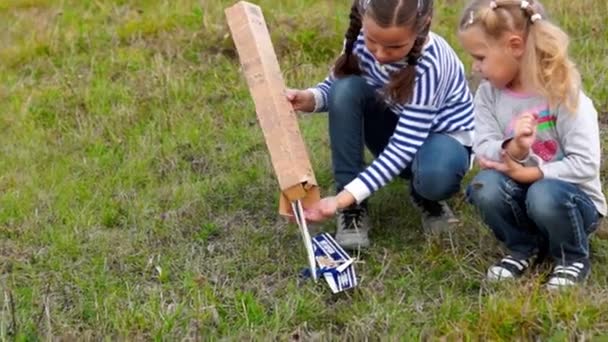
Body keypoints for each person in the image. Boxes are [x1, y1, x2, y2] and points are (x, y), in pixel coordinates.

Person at [286, 0, 475, 249]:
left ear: (422, 28)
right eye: (373, 41)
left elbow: (403, 146)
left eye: (395, 46)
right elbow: (336, 85)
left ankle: (425, 195)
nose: (381, 54)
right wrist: (309, 98)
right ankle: (353, 207)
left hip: (440, 141)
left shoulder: (432, 65)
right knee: (346, 89)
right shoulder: (363, 39)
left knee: (434, 178)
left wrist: (338, 200)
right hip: (396, 125)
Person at [459, 0, 606, 289]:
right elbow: (483, 146)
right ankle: (523, 247)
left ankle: (571, 256)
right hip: (520, 196)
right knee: (483, 186)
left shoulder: (564, 94)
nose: (474, 67)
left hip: (572, 203)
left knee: (543, 193)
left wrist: (532, 173)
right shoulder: (488, 94)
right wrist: (513, 149)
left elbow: (586, 164)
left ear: (514, 46)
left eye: (480, 57)